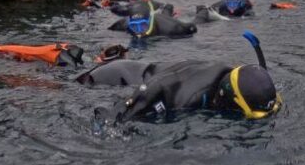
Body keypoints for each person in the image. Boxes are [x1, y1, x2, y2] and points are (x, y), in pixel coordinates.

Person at [82, 32, 281, 122]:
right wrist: (117, 118)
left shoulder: (237, 77)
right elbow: (153, 89)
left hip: (153, 74)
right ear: (232, 102)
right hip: (117, 75)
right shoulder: (190, 93)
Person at [108, 1, 196, 38]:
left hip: (162, 21)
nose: (139, 32)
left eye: (143, 26)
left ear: (149, 21)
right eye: (134, 26)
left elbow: (192, 27)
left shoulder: (172, 28)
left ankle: (168, 8)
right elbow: (108, 31)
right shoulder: (125, 24)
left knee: (167, 11)